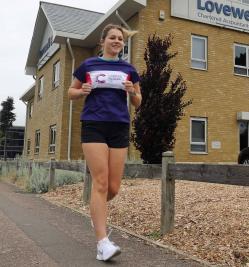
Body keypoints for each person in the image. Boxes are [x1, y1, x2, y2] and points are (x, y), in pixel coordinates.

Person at [68, 24, 142, 261]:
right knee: (99, 183)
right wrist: (82, 92)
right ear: (103, 41)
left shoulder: (129, 69)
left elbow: (138, 102)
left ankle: (95, 211)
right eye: (112, 37)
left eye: (120, 38)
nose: (117, 41)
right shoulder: (88, 65)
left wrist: (132, 92)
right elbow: (71, 91)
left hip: (119, 126)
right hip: (94, 124)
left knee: (113, 188)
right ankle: (102, 243)